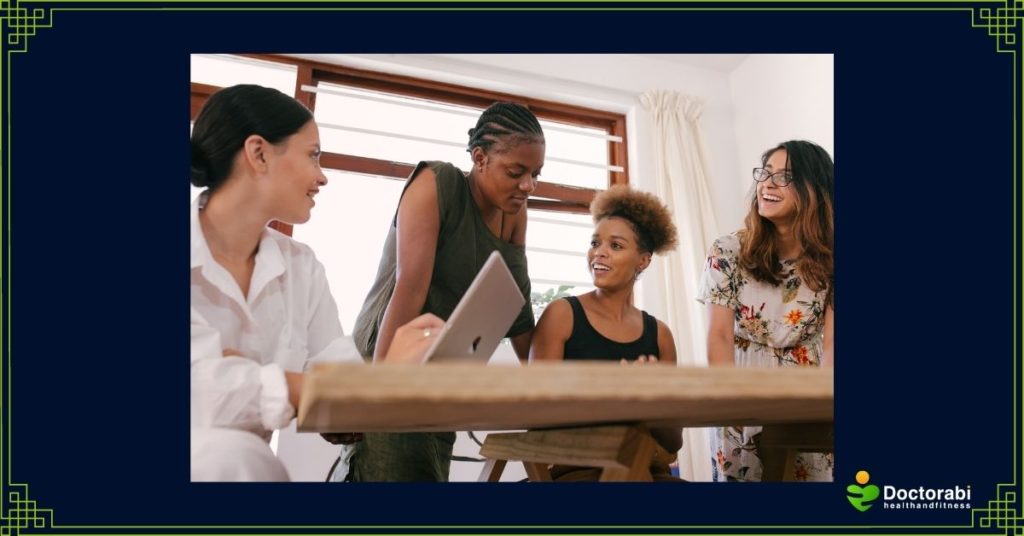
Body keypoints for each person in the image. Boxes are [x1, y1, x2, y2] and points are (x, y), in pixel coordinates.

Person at [190, 84, 444, 482]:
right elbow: (203, 393)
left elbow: (341, 399)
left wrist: (386, 381)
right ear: (258, 154)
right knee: (232, 454)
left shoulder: (301, 268)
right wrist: (309, 389)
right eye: (313, 155)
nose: (322, 176)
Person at [333, 102, 545, 482]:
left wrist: (552, 384)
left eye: (536, 174)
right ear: (479, 158)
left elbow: (517, 307)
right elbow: (409, 287)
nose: (528, 185)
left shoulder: (515, 211)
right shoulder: (436, 182)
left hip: (442, 376)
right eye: (516, 172)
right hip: (391, 363)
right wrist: (378, 391)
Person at [698, 139, 834, 482]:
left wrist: (824, 403)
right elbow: (718, 335)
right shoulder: (727, 250)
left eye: (784, 177)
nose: (767, 184)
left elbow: (833, 344)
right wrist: (730, 399)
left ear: (813, 190)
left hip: (805, 389)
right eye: (765, 173)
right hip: (738, 382)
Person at [530, 185, 683, 481]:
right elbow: (537, 416)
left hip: (648, 474)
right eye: (595, 242)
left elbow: (673, 441)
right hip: (578, 473)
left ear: (643, 260)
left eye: (615, 246)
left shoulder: (660, 334)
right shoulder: (562, 315)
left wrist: (653, 399)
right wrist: (617, 397)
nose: (599, 253)